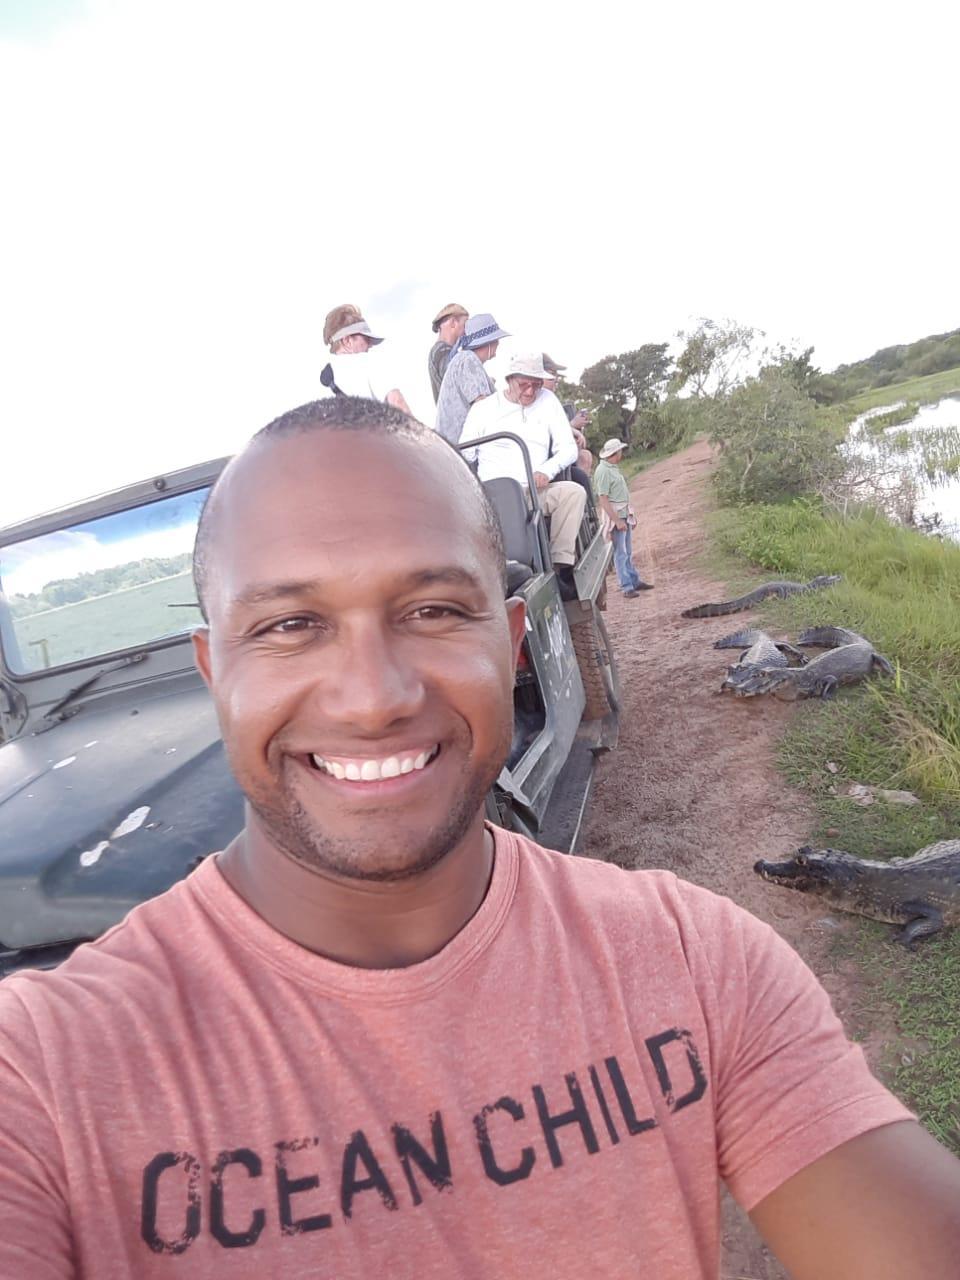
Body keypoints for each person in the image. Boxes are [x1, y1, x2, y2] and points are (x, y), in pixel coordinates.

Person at [2, 397, 960, 1279]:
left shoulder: (696, 962)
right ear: (216, 670)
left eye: (431, 611)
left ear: (509, 639)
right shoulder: (44, 1079)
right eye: (291, 624)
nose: (374, 697)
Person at [460, 352, 586, 599]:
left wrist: (546, 471)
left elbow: (568, 448)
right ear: (509, 380)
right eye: (524, 384)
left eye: (536, 385)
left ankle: (560, 568)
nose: (530, 391)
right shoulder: (482, 410)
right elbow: (465, 453)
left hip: (534, 488)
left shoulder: (547, 400)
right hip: (496, 497)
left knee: (574, 493)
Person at [320, 303, 413, 413]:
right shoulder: (366, 362)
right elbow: (397, 402)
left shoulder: (324, 379)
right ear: (347, 341)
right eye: (366, 339)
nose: (370, 345)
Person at [434, 311, 508, 444]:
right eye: (497, 340)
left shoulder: (465, 360)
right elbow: (483, 408)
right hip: (460, 450)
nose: (499, 344)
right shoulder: (468, 360)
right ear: (490, 341)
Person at [593, 437, 654, 596]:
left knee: (626, 551)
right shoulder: (604, 471)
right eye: (620, 451)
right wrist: (616, 520)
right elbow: (603, 498)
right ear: (615, 452)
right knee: (621, 552)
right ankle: (627, 586)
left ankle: (633, 580)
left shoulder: (611, 467)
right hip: (616, 515)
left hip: (622, 513)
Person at [428, 303, 469, 402]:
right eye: (465, 325)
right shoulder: (440, 351)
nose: (466, 331)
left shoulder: (441, 351)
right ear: (454, 323)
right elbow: (454, 375)